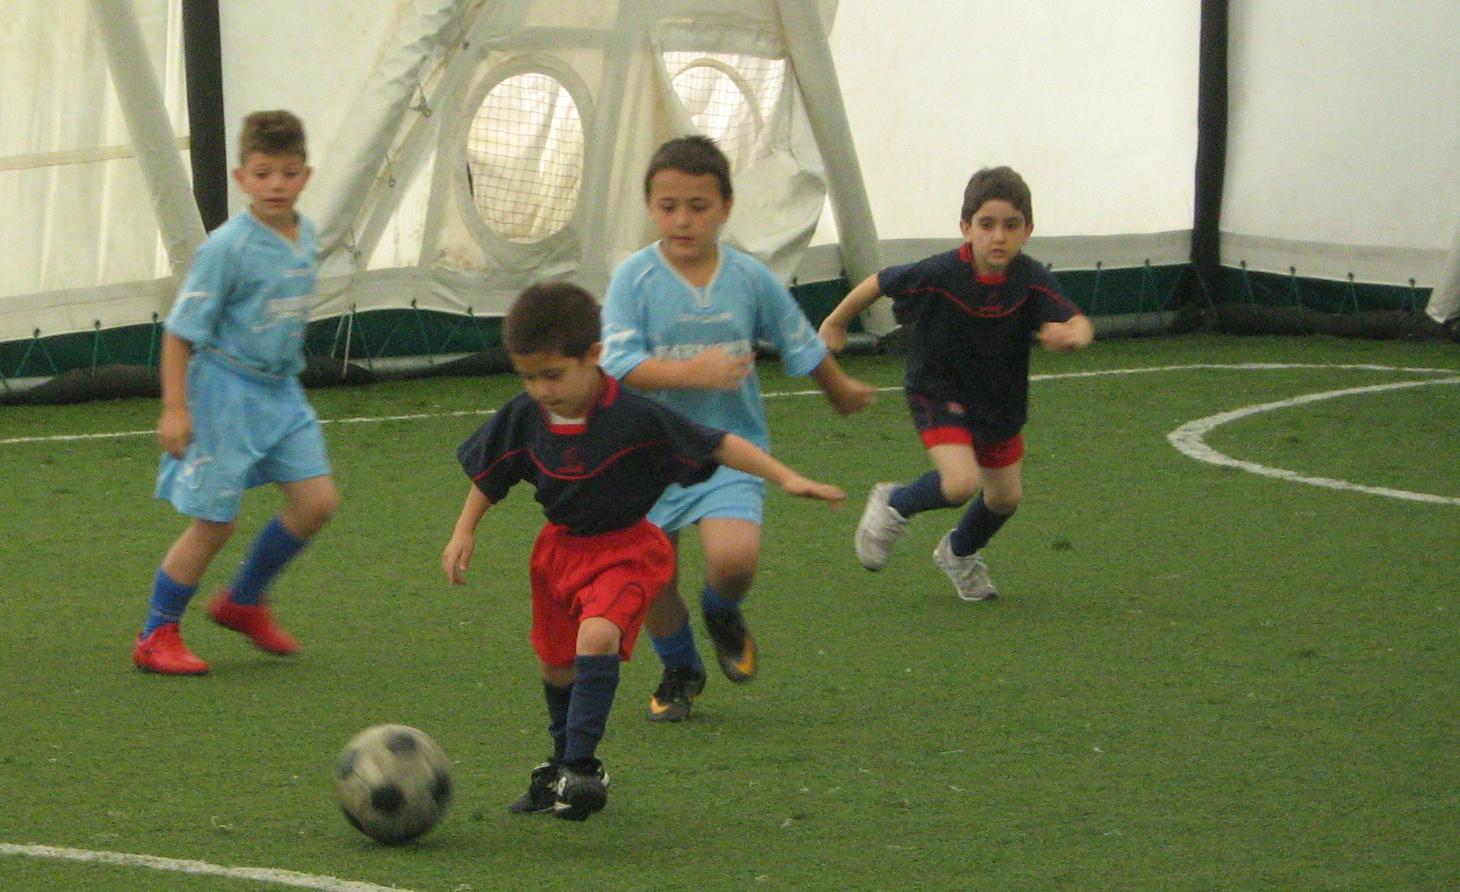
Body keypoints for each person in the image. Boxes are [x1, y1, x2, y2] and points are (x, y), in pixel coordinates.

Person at [444, 281, 843, 821]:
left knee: (596, 635)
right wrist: (464, 530)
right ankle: (560, 765)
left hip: (627, 551)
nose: (540, 389)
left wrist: (787, 477)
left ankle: (583, 768)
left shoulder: (633, 415)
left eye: (552, 375)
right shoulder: (526, 413)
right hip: (558, 553)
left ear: (593, 355)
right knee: (557, 665)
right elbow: (494, 472)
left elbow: (717, 443)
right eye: (528, 377)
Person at [601, 135, 875, 723]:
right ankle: (680, 667)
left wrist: (839, 389)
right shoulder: (633, 278)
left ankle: (721, 610)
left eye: (698, 206)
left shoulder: (749, 277)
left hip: (729, 452)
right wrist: (691, 372)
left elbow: (799, 338)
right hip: (645, 458)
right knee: (651, 579)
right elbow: (618, 365)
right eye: (668, 205)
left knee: (735, 559)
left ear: (725, 207)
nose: (683, 219)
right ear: (650, 207)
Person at [819, 165, 1093, 600]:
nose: (998, 236)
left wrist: (1073, 335)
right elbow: (880, 281)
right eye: (987, 224)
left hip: (998, 399)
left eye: (1011, 225)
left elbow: (1078, 321)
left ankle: (959, 552)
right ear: (966, 227)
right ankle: (895, 503)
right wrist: (835, 322)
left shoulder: (1031, 278)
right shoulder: (942, 271)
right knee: (961, 483)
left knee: (1005, 499)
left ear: (1028, 231)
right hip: (938, 388)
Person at [134, 110, 339, 675]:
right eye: (263, 173)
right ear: (241, 178)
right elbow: (180, 332)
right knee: (215, 523)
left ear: (306, 176)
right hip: (224, 396)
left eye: (289, 173)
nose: (276, 185)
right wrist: (176, 409)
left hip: (282, 393)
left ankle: (243, 601)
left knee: (317, 502)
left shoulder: (307, 234)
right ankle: (155, 634)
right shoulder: (227, 248)